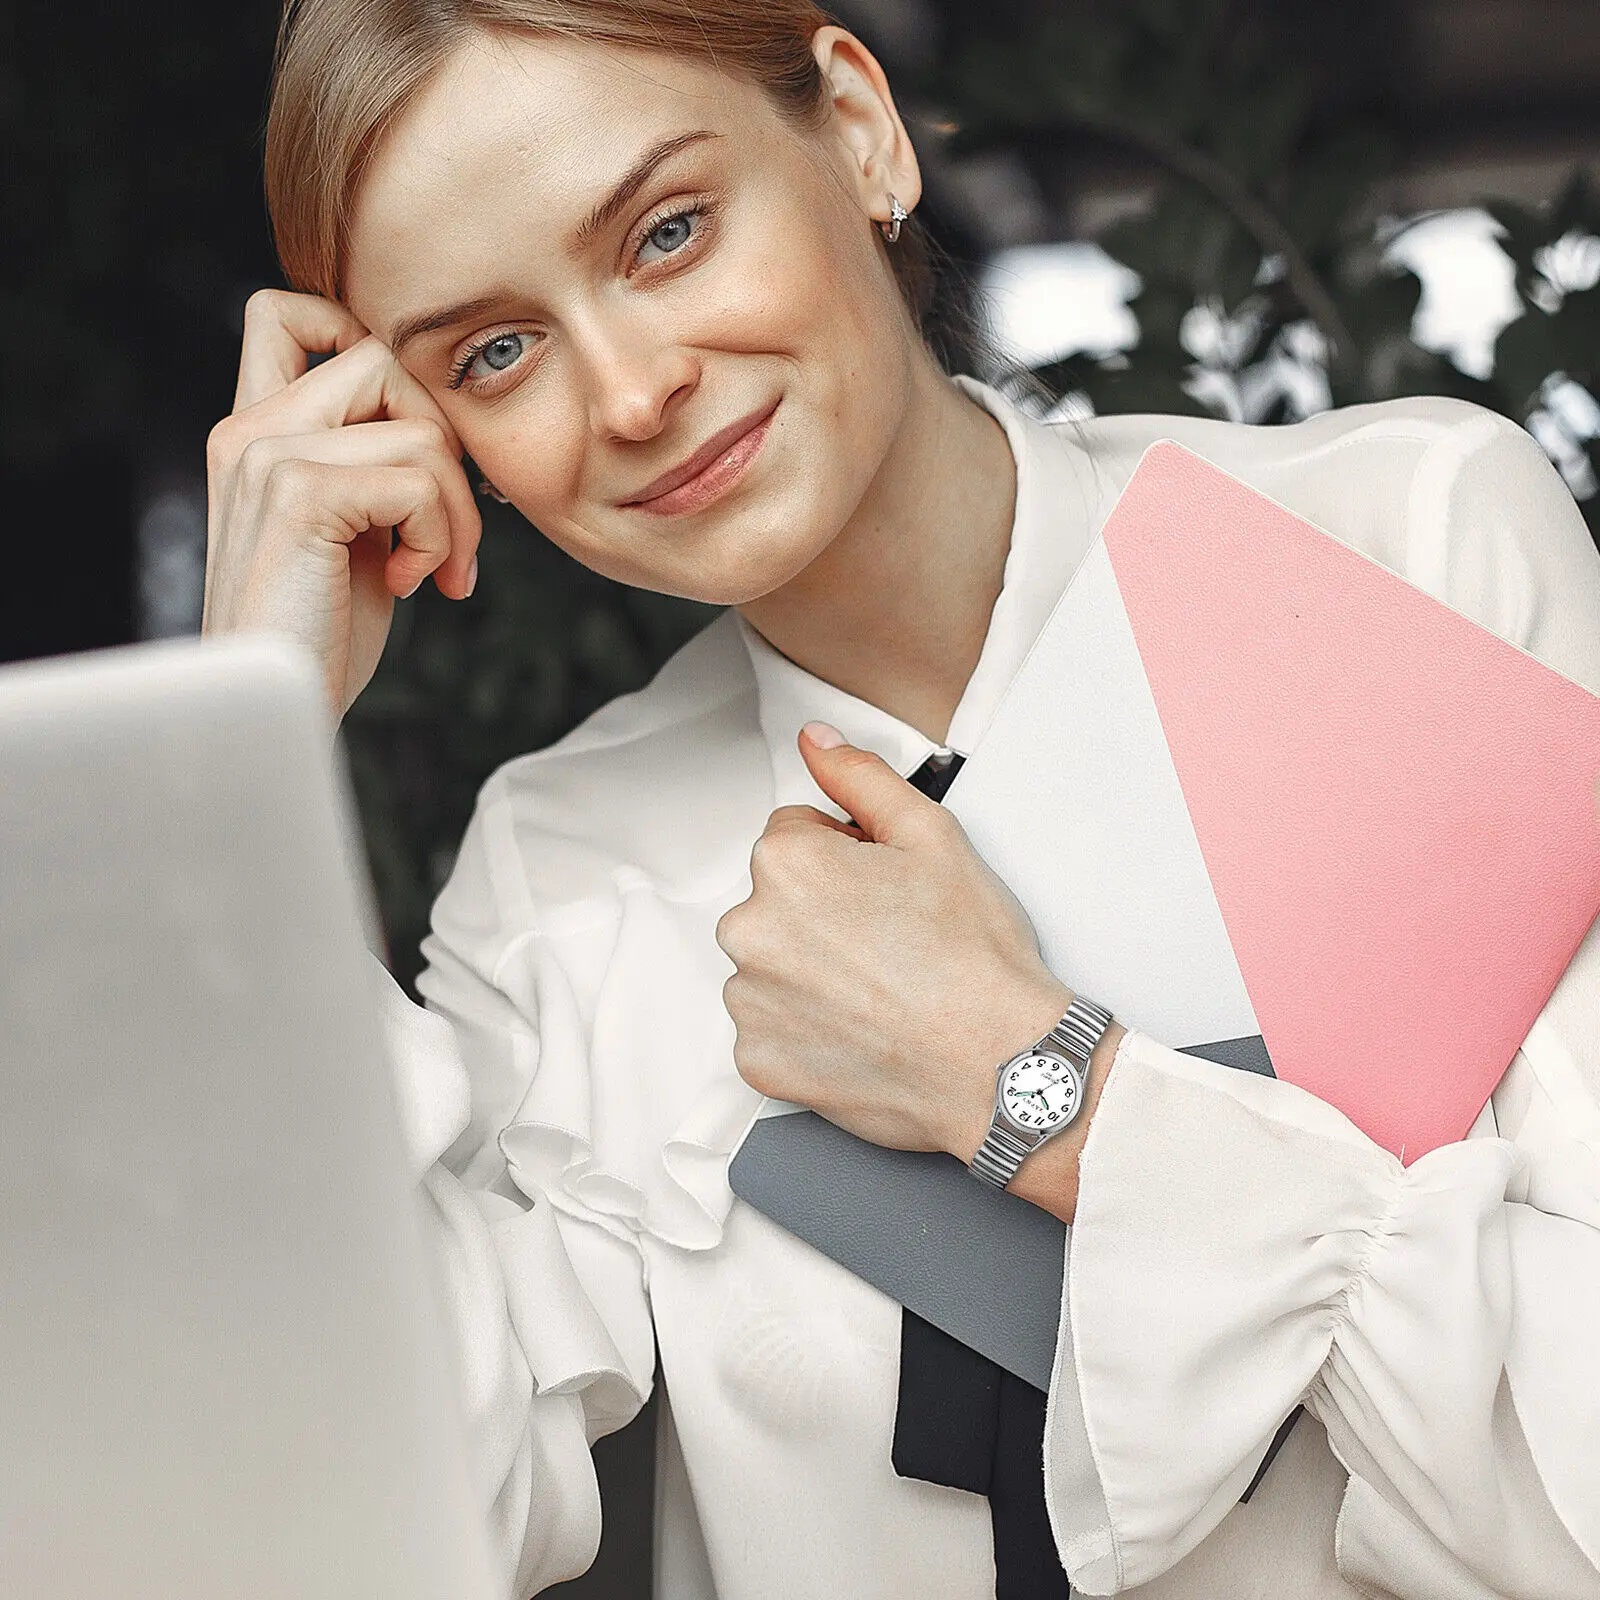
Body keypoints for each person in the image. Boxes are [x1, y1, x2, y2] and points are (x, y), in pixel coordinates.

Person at [200, 1, 1600, 1594]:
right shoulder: (563, 865)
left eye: (666, 231)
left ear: (859, 129)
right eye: (495, 353)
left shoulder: (1401, 550)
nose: (634, 391)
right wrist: (243, 746)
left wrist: (1030, 1085)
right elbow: (365, 1531)